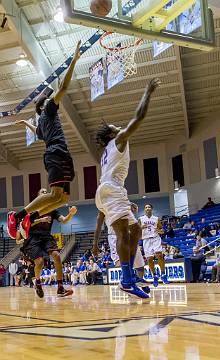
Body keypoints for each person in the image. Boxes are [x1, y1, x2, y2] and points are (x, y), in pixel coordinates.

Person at [7, 41, 82, 240]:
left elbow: (39, 134)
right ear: (45, 105)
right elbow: (64, 87)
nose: (52, 99)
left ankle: (30, 217)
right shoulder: (49, 110)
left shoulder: (42, 123)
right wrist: (73, 62)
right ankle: (18, 216)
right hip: (56, 153)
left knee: (62, 198)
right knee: (55, 194)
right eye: (49, 98)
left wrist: (26, 123)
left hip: (60, 153)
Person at [95, 78, 160, 299]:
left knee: (136, 230)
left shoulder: (107, 150)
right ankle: (126, 279)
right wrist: (148, 92)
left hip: (111, 190)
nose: (117, 126)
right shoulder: (119, 139)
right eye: (114, 127)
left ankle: (129, 275)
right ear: (112, 134)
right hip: (111, 189)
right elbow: (139, 117)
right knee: (123, 233)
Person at [18, 188, 77, 298]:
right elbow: (26, 224)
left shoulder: (52, 209)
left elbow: (63, 220)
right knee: (39, 263)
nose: (45, 194)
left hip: (46, 236)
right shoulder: (32, 209)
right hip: (33, 238)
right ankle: (38, 284)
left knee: (57, 256)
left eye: (46, 192)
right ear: (38, 197)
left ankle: (60, 288)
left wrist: (71, 214)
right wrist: (41, 220)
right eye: (43, 193)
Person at [93, 202, 150, 293]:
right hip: (114, 236)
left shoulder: (122, 201)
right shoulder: (104, 206)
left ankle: (138, 281)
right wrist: (95, 244)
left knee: (140, 265)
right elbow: (98, 226)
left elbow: (131, 215)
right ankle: (129, 281)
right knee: (119, 262)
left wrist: (131, 206)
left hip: (129, 234)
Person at [139, 204, 169, 287]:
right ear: (144, 210)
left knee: (159, 255)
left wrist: (159, 230)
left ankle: (163, 275)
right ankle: (155, 276)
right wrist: (141, 227)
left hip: (155, 238)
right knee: (149, 259)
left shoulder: (156, 219)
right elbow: (136, 230)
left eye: (149, 207)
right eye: (146, 207)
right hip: (146, 240)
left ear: (152, 209)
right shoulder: (141, 219)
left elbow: (162, 230)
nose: (147, 208)